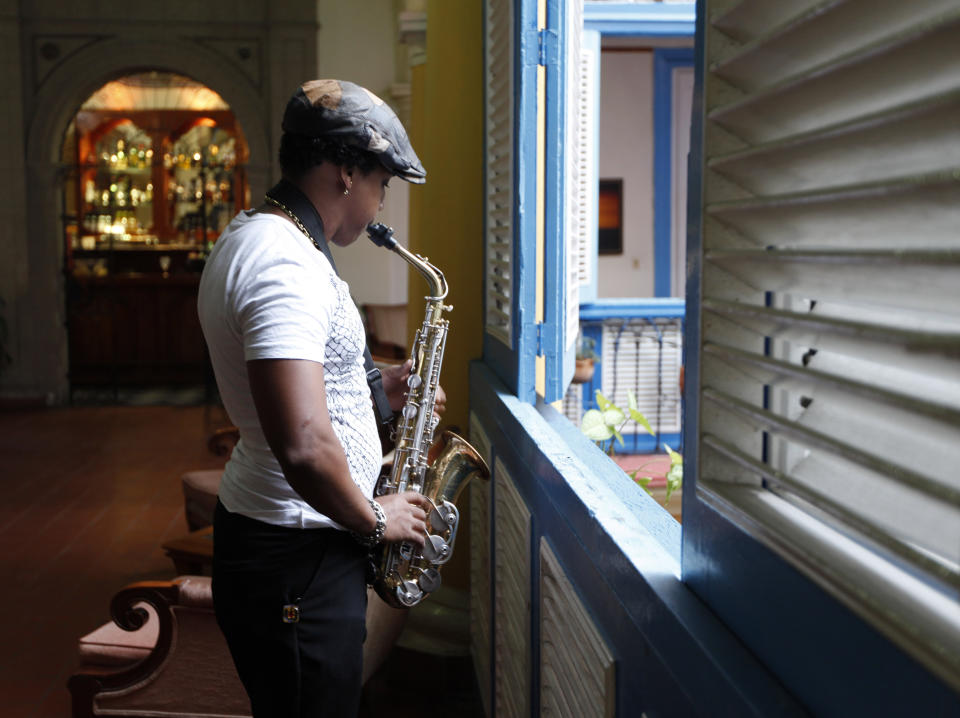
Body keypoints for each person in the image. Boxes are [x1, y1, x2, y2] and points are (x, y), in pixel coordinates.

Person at [197, 79, 435, 717]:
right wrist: (376, 517)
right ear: (346, 172)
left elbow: (294, 390)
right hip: (294, 556)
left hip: (290, 547)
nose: (381, 202)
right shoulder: (284, 263)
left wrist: (380, 387)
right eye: (382, 183)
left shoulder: (265, 237)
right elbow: (301, 442)